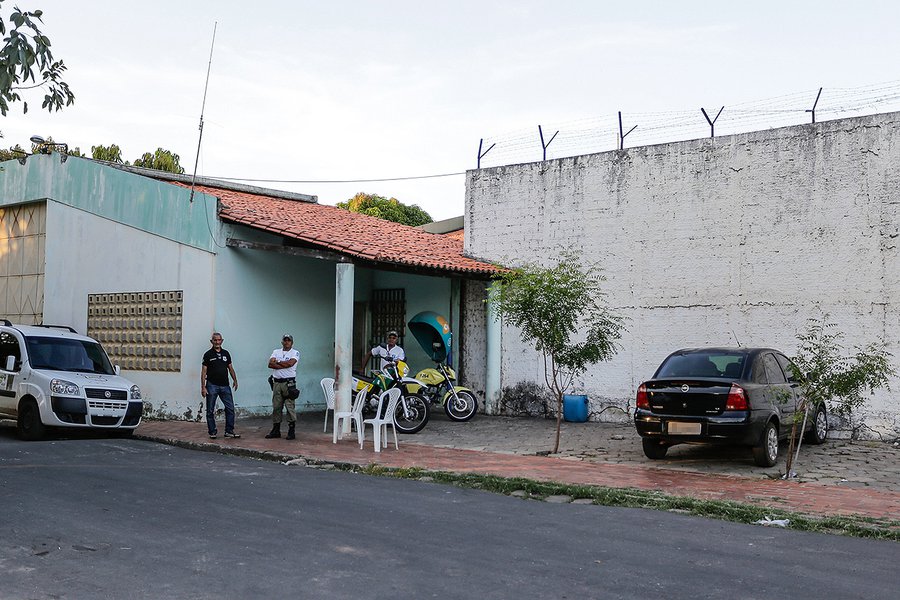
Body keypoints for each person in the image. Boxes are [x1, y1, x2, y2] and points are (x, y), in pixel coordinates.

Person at [201, 332, 240, 439]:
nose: (217, 342)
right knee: (210, 410)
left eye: (219, 340)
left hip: (225, 386)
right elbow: (204, 372)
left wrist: (235, 380)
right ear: (211, 341)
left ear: (222, 341)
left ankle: (229, 431)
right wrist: (203, 387)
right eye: (215, 340)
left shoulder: (226, 353)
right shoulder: (208, 355)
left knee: (230, 408)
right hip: (211, 385)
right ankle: (212, 432)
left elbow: (230, 368)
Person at [265, 333, 300, 440]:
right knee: (276, 406)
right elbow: (270, 364)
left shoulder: (295, 352)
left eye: (288, 340)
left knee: (290, 406)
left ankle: (291, 430)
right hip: (276, 383)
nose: (286, 342)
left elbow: (290, 364)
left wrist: (278, 362)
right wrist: (283, 364)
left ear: (292, 342)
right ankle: (276, 430)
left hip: (288, 383)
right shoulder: (276, 351)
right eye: (285, 340)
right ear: (282, 342)